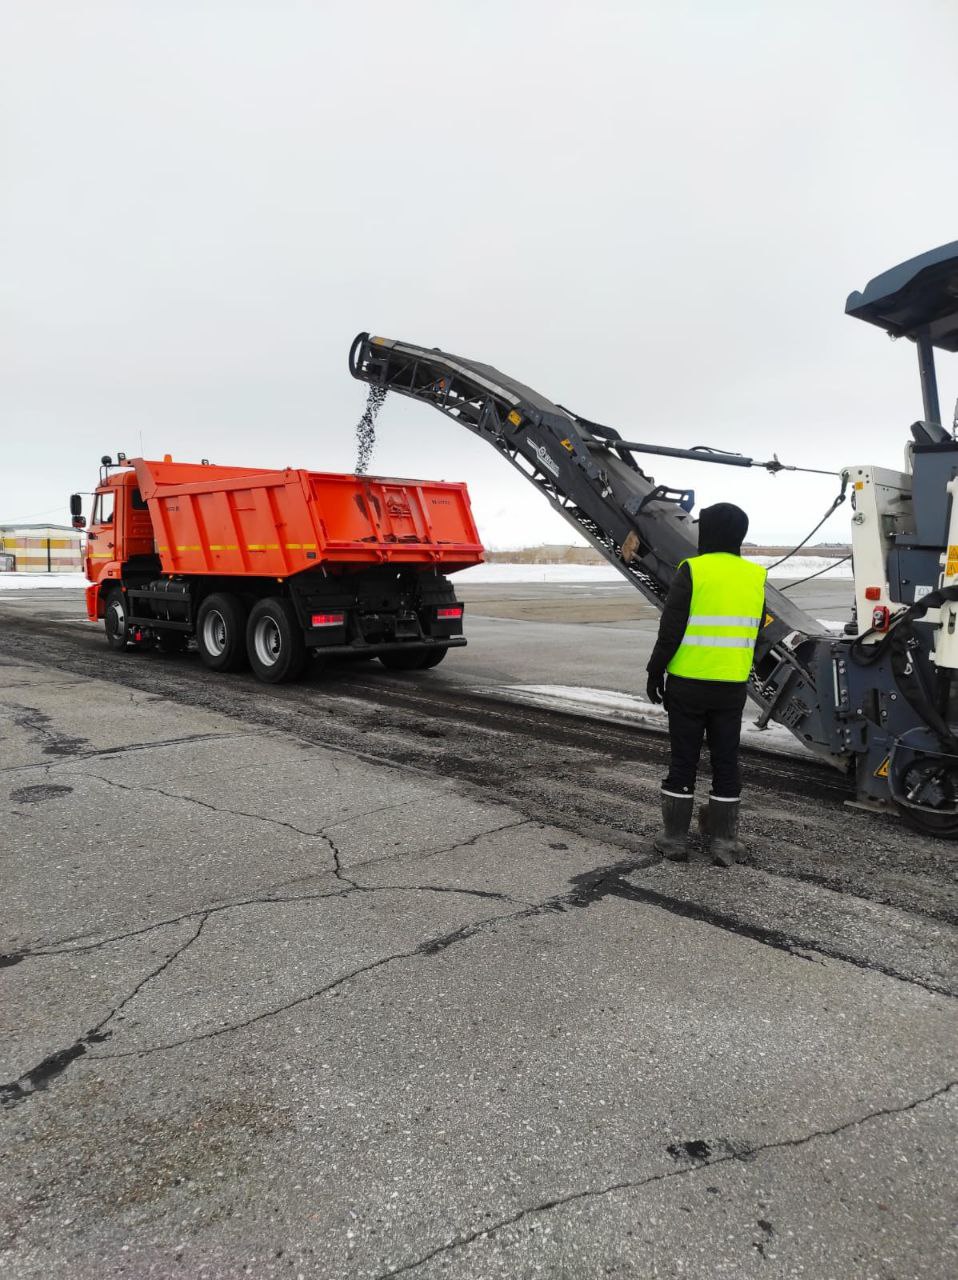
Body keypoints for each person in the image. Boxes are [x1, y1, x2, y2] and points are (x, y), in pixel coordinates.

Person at [645, 503, 766, 866]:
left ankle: (674, 840)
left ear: (708, 532)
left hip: (687, 685)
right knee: (726, 761)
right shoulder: (755, 575)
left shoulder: (693, 570)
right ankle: (724, 843)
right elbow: (755, 630)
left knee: (684, 760)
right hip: (730, 687)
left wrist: (655, 671)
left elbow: (672, 629)